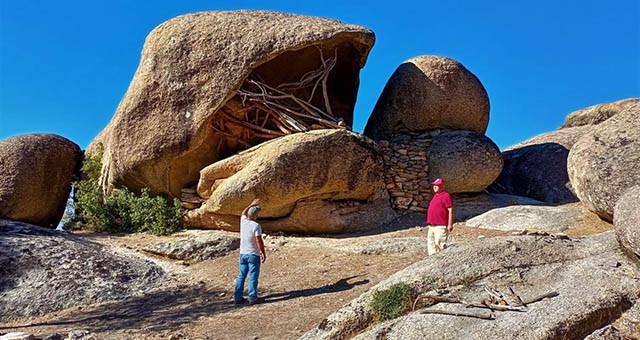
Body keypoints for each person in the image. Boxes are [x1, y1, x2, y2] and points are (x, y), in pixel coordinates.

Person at [234, 198, 267, 305]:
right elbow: (259, 240)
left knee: (241, 275)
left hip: (243, 254)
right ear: (256, 216)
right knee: (253, 276)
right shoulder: (256, 226)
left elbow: (243, 212)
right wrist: (262, 252)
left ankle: (237, 298)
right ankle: (253, 298)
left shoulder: (243, 221)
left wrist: (250, 204)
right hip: (253, 254)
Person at [426, 178, 454, 255]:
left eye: (437, 185)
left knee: (440, 244)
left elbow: (450, 210)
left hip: (440, 226)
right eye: (434, 185)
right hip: (431, 226)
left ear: (442, 186)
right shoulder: (435, 196)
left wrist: (450, 224)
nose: (435, 187)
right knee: (431, 245)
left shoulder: (445, 195)